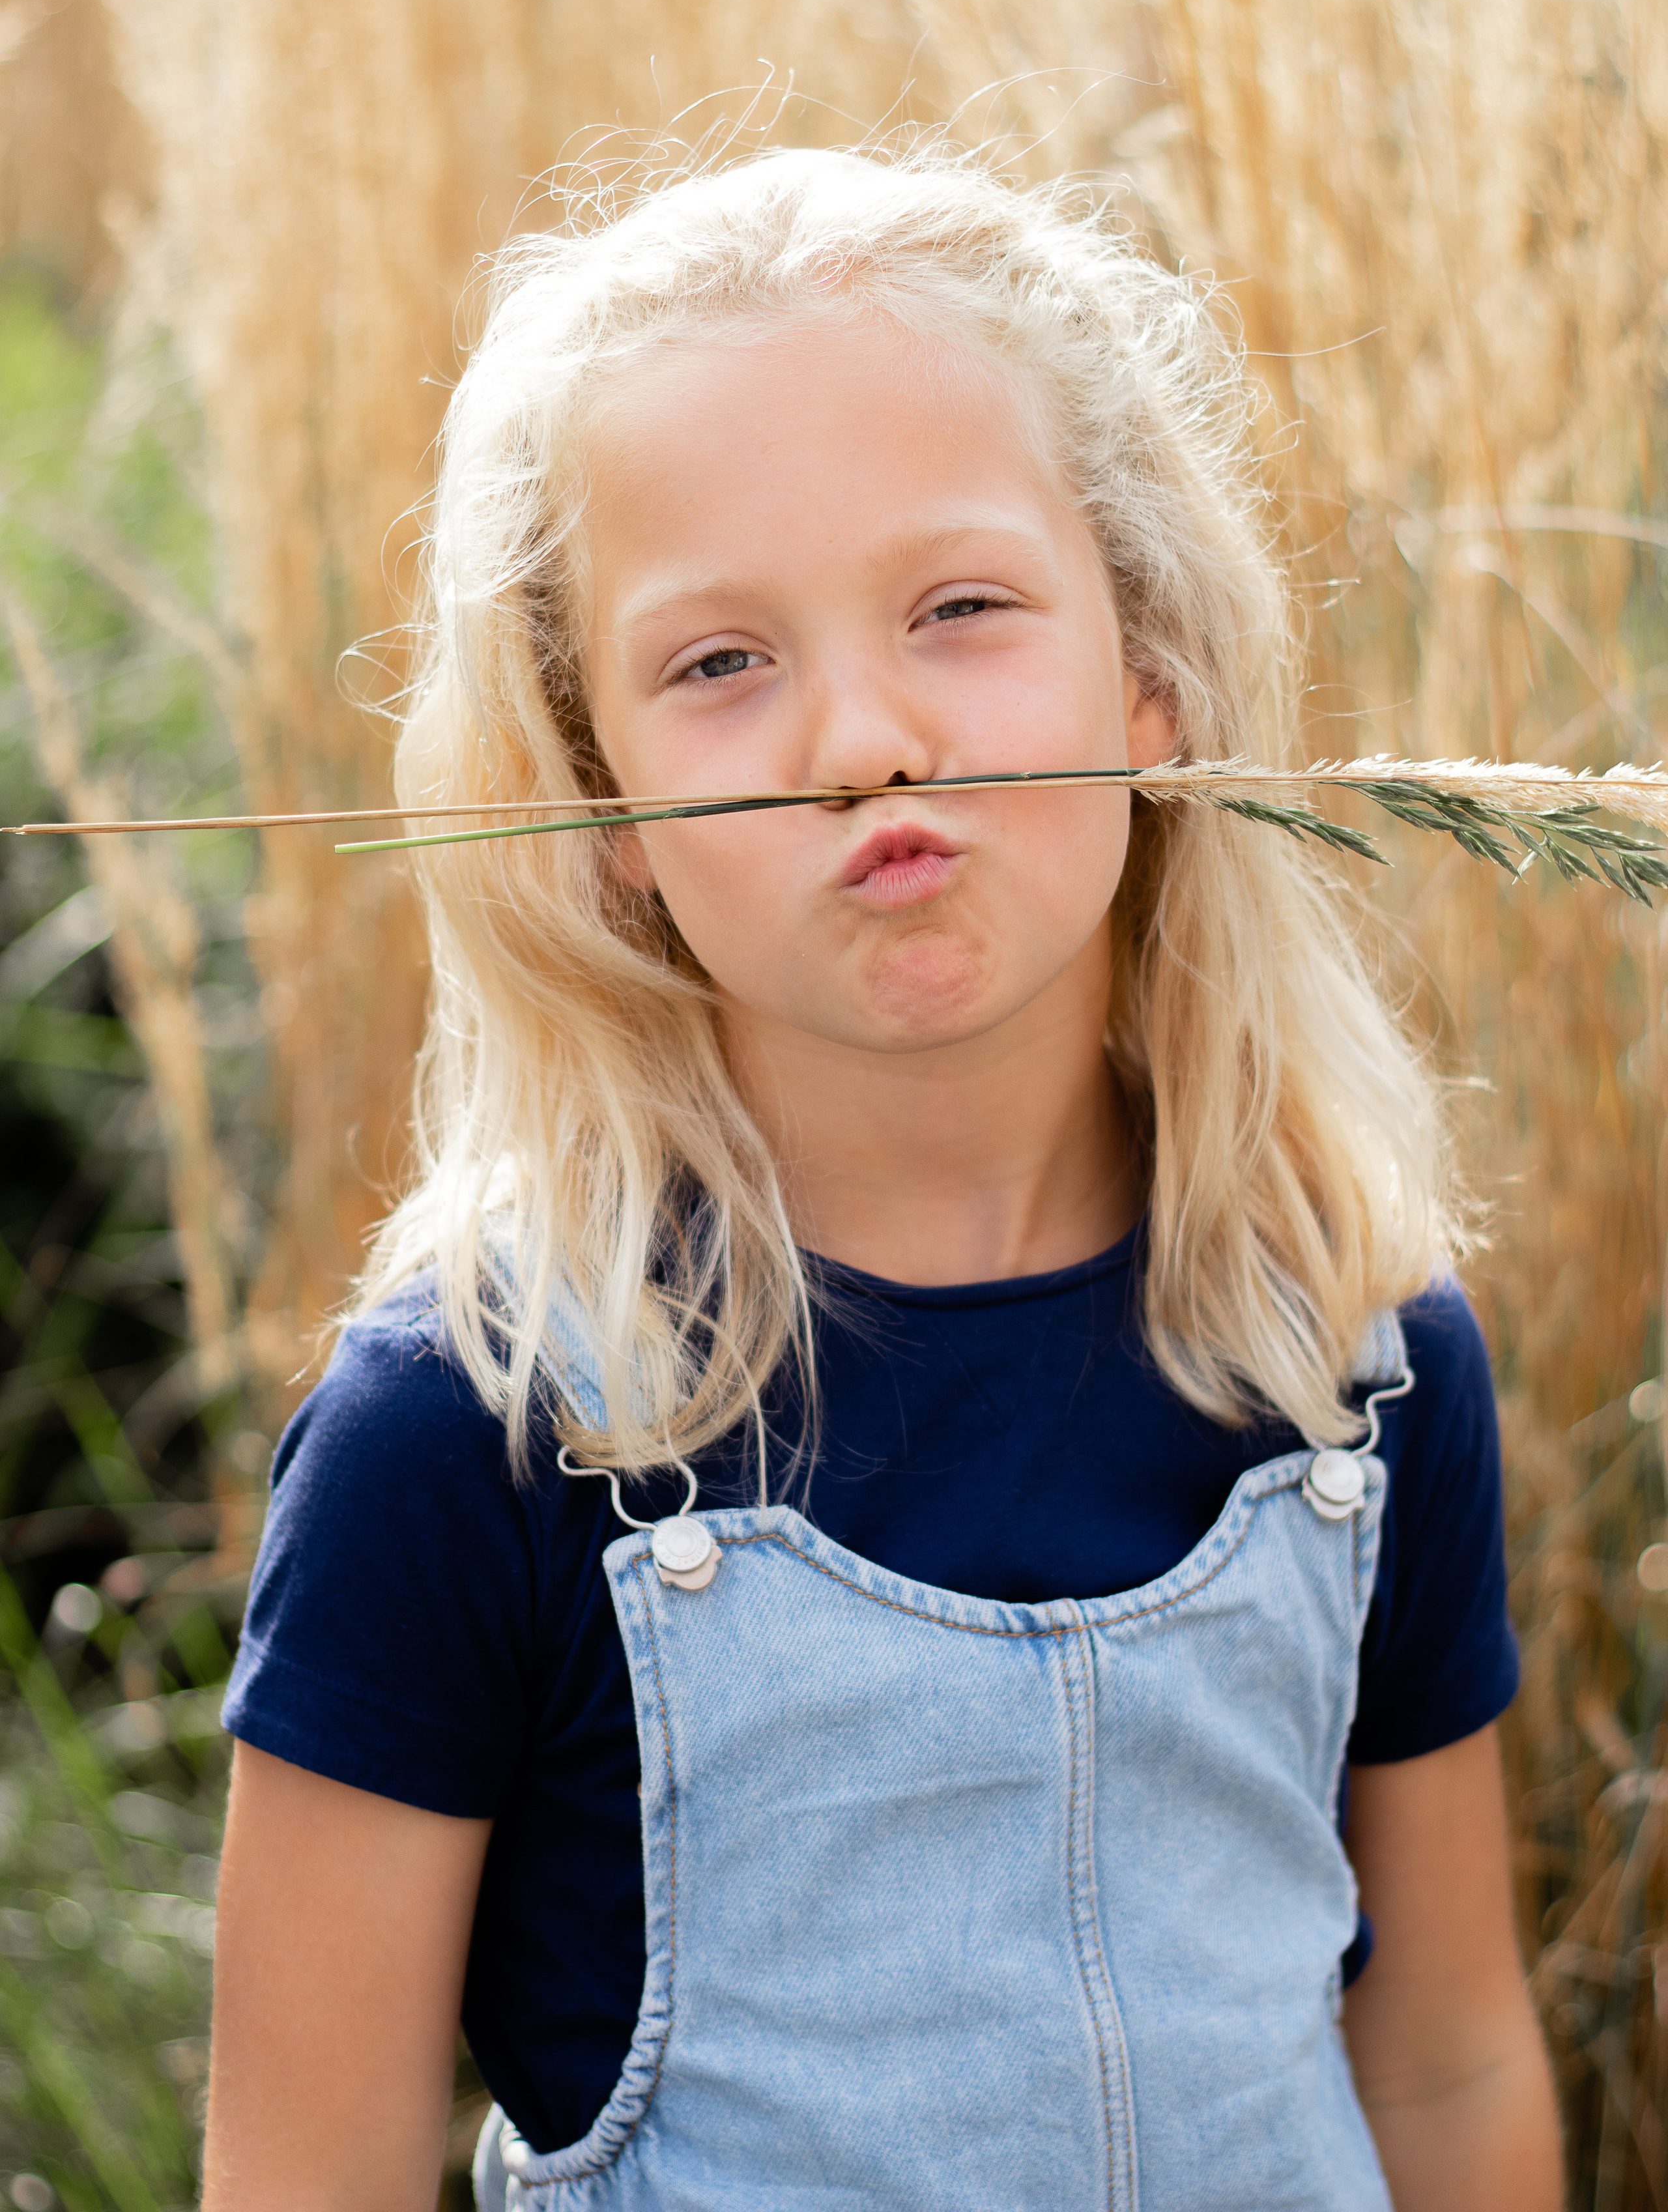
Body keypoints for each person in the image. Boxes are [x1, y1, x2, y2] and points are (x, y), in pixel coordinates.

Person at [203, 143, 1563, 2212]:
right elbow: (307, 2174)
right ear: (602, 810)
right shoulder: (470, 1440)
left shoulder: (1354, 1360)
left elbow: (1452, 2066)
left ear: (1150, 680)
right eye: (721, 664)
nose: (864, 736)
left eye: (961, 608)